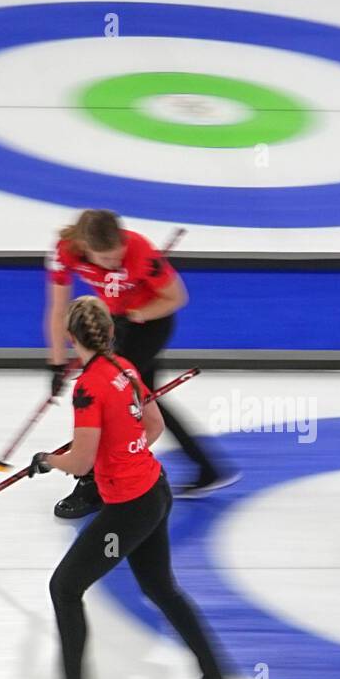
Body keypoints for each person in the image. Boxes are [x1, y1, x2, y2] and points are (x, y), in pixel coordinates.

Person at [23, 295, 235, 679]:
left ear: (71, 336)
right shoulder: (124, 368)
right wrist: (124, 452)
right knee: (161, 589)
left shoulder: (88, 387)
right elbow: (153, 426)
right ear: (109, 332)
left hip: (129, 509)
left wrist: (47, 460)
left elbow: (80, 462)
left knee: (65, 588)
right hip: (154, 489)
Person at [45, 209, 236, 518]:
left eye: (117, 257)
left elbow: (176, 298)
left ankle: (94, 484)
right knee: (143, 398)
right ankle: (206, 466)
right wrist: (55, 363)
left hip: (150, 324)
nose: (114, 264)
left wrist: (136, 315)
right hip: (117, 323)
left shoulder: (140, 252)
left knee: (115, 397)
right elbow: (57, 309)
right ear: (85, 247)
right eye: (105, 260)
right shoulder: (66, 251)